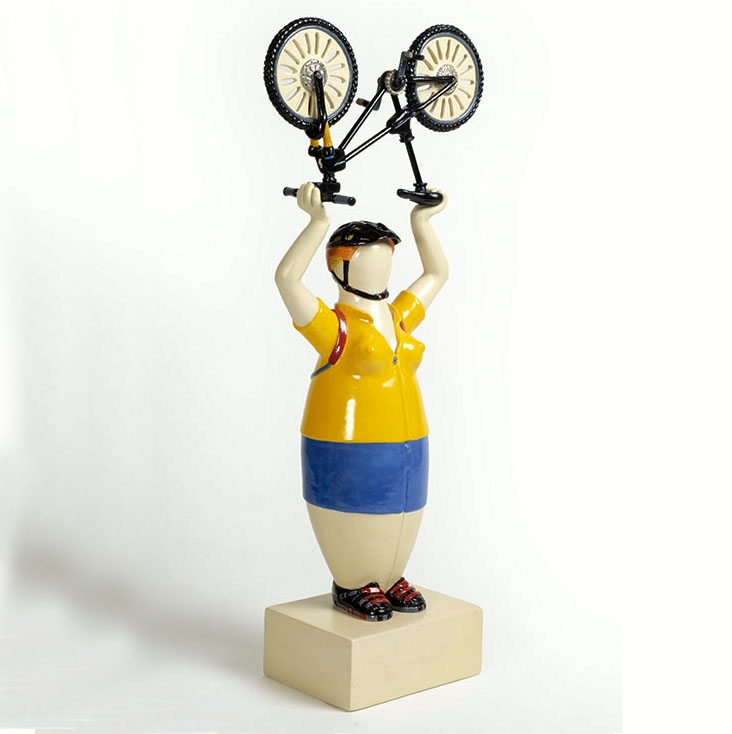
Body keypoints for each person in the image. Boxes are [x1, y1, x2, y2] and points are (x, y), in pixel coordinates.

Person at [275, 182, 448, 621]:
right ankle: (353, 581)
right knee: (354, 511)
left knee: (403, 507)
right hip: (345, 445)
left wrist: (422, 221)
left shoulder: (397, 316)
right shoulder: (334, 327)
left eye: (386, 259)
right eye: (372, 259)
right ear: (341, 267)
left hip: (409, 443)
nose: (382, 270)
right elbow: (286, 280)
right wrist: (317, 223)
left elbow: (436, 275)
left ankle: (389, 577)